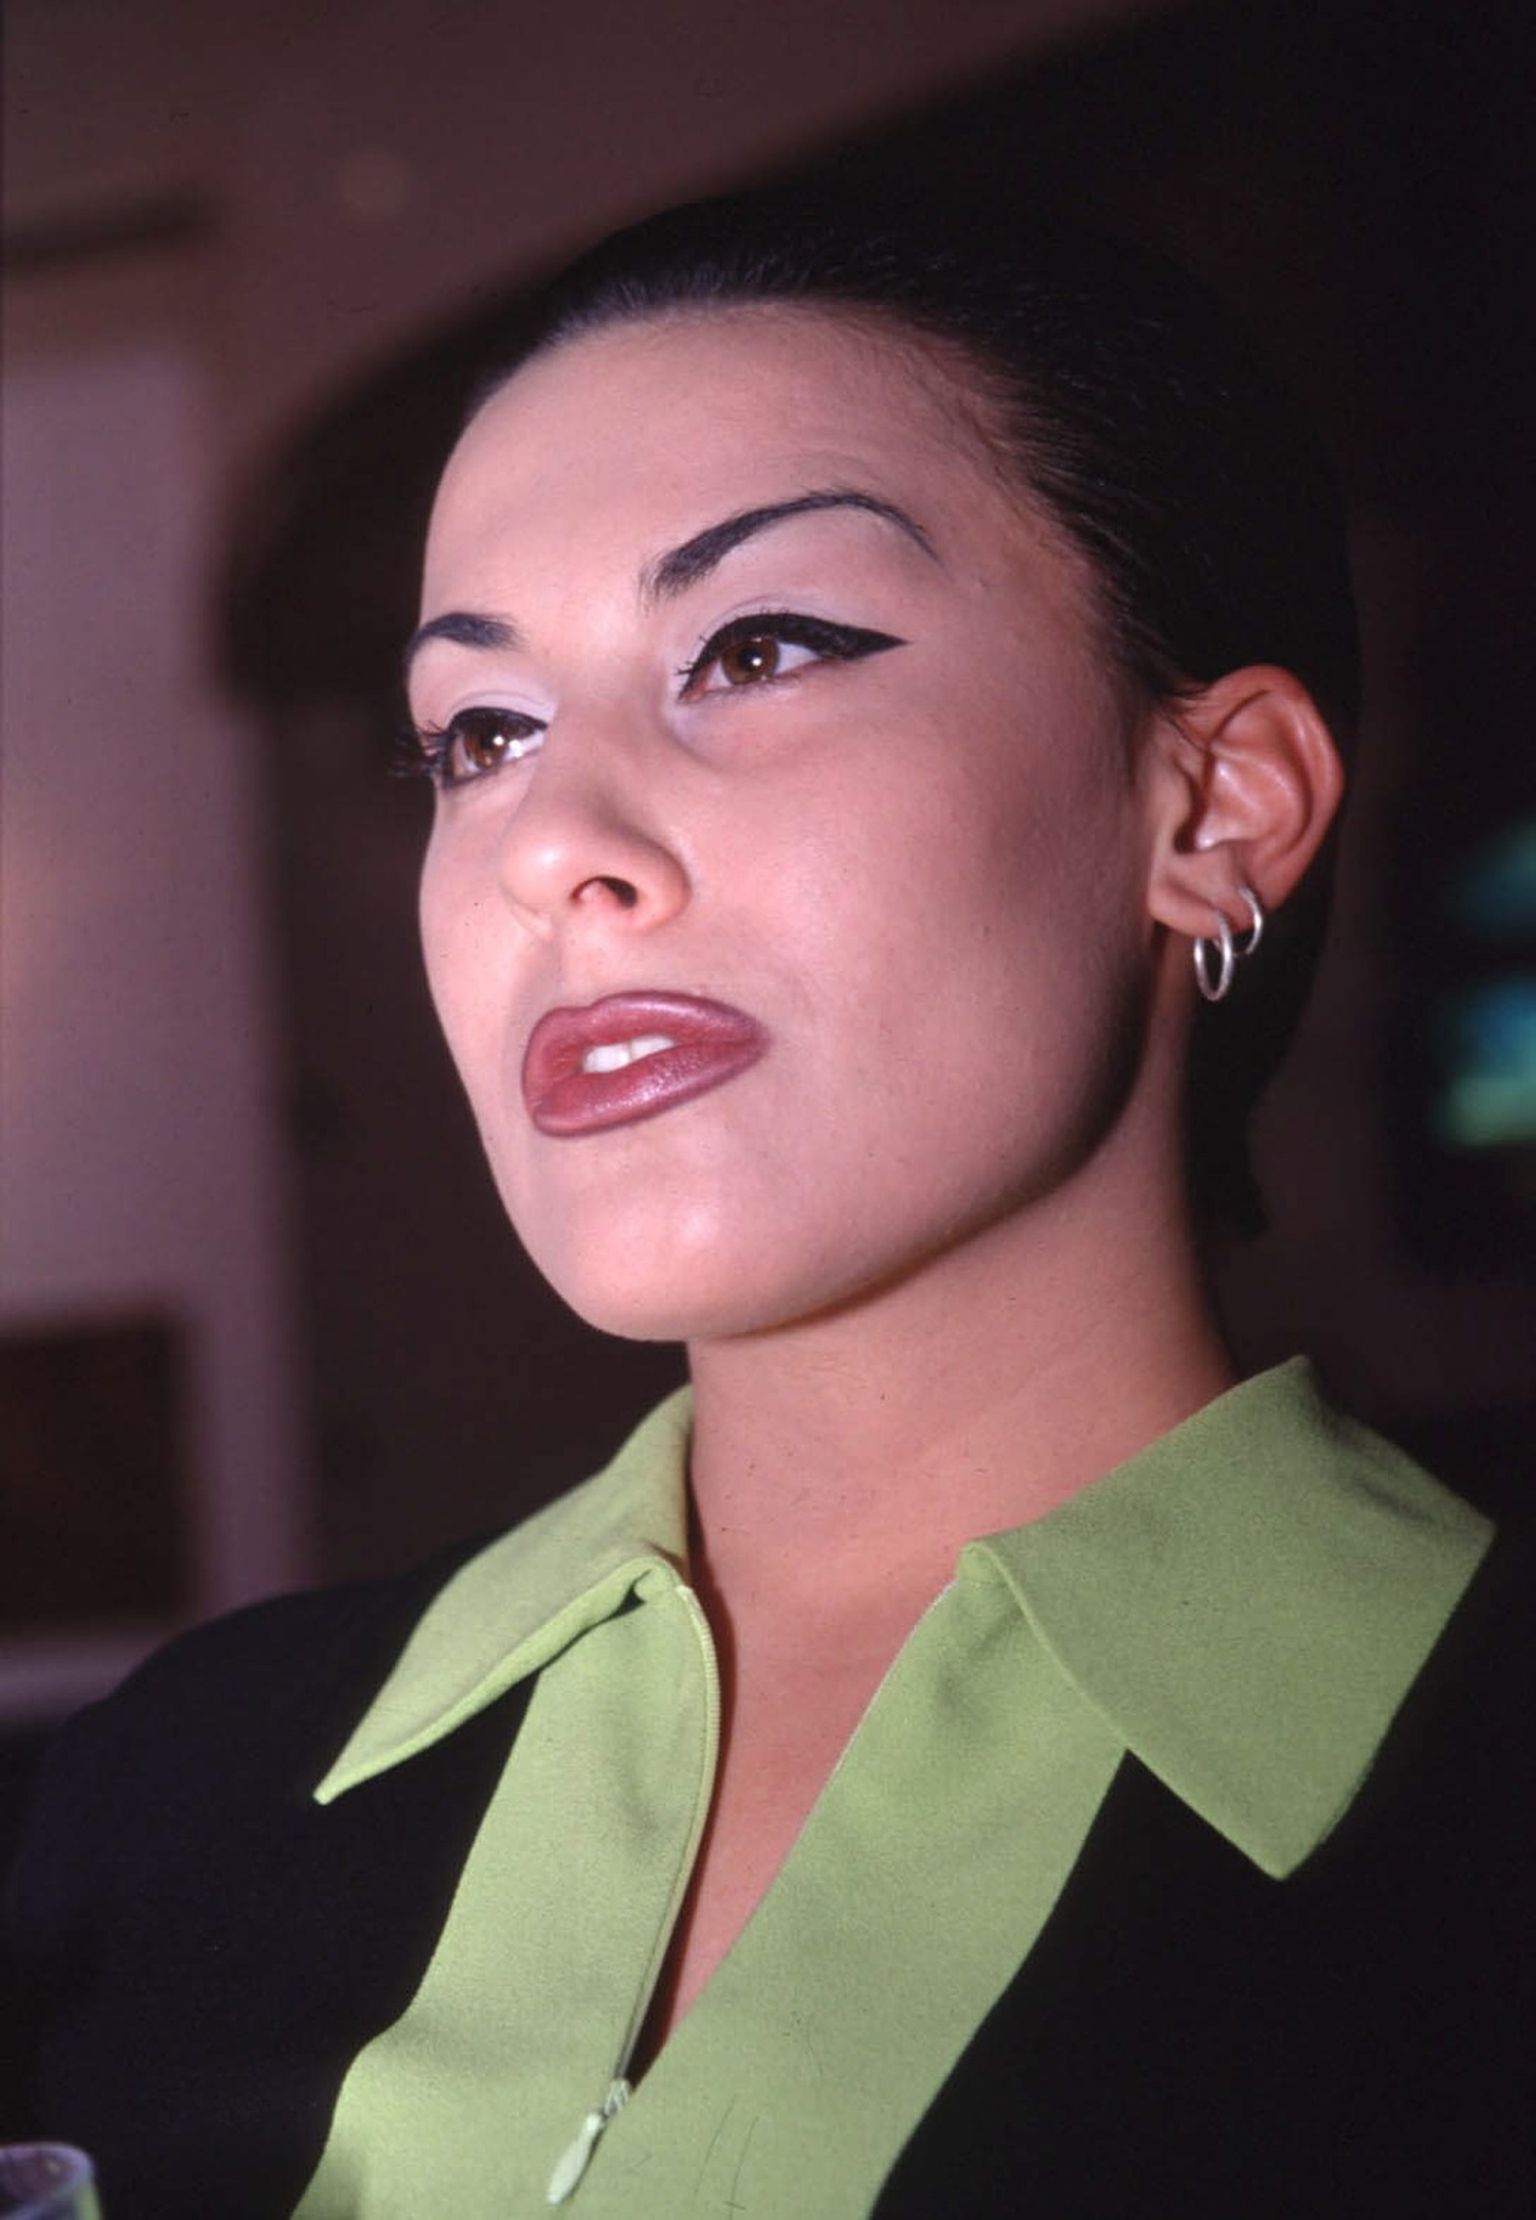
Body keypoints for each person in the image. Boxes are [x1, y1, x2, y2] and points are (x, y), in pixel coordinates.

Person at [3, 184, 1527, 2217]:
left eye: (757, 648)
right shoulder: (166, 1792)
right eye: (480, 733)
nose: (550, 843)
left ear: (1216, 803)